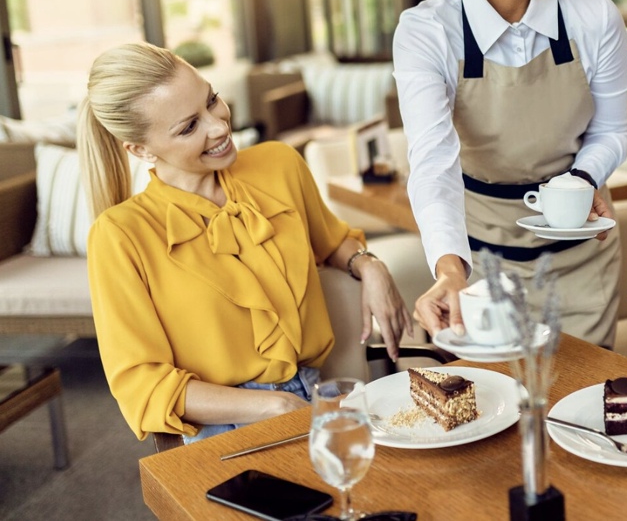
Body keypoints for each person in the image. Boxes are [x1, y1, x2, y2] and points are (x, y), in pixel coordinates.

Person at [78, 43, 412, 442]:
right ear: (140, 149)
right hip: (221, 430)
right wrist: (274, 406)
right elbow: (143, 384)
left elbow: (332, 241)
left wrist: (369, 265)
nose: (219, 126)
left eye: (212, 100)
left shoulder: (279, 164)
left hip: (321, 395)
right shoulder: (119, 236)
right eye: (188, 127)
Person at [393, 0, 627, 347]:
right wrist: (451, 271)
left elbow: (612, 132)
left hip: (581, 265)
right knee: (499, 422)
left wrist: (584, 180)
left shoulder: (594, 18)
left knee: (578, 419)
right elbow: (433, 165)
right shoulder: (429, 32)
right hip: (482, 266)